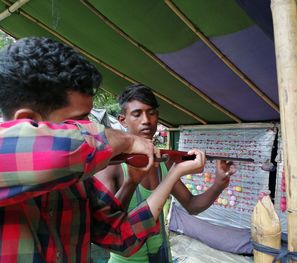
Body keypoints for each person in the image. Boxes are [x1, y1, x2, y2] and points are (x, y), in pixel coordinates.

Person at [0, 37, 206, 262]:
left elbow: (121, 236)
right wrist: (126, 141)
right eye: (80, 122)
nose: (92, 127)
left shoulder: (78, 181)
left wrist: (173, 173)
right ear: (28, 120)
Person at [95, 84, 235, 263]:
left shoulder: (164, 161)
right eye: (137, 114)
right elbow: (108, 230)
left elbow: (192, 205)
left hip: (161, 256)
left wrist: (218, 185)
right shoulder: (112, 165)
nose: (146, 120)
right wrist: (132, 182)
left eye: (151, 112)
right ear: (122, 120)